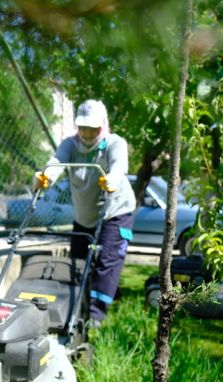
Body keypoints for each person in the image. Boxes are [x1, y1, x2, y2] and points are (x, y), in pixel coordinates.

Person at [33, 99, 136, 324]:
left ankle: (96, 317)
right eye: (83, 128)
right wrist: (45, 177)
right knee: (77, 262)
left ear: (103, 126)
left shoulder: (114, 143)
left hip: (115, 211)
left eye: (93, 128)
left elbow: (119, 165)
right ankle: (77, 305)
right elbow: (56, 162)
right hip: (84, 215)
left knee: (107, 260)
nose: (88, 133)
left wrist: (113, 179)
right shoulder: (70, 144)